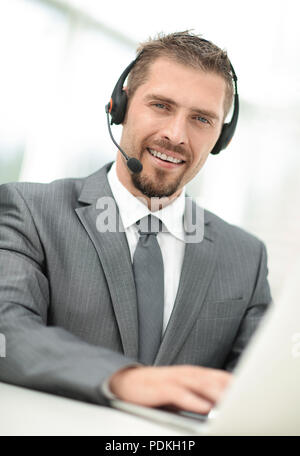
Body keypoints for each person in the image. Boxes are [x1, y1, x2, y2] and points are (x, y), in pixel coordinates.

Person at [0, 32, 271, 415]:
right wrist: (126, 380)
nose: (176, 135)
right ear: (121, 105)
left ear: (220, 137)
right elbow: (7, 331)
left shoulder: (246, 256)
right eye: (161, 105)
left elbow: (264, 383)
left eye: (201, 119)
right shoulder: (31, 211)